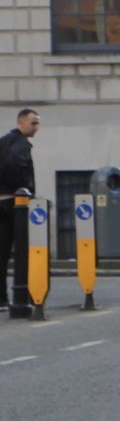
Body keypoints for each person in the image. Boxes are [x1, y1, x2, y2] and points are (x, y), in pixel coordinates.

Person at [0, 107, 39, 311]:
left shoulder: (3, 141)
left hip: (1, 200)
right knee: (26, 249)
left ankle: (1, 298)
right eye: (33, 123)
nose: (37, 127)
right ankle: (25, 295)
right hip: (16, 203)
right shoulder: (21, 145)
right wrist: (26, 192)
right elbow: (19, 167)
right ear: (20, 123)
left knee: (2, 252)